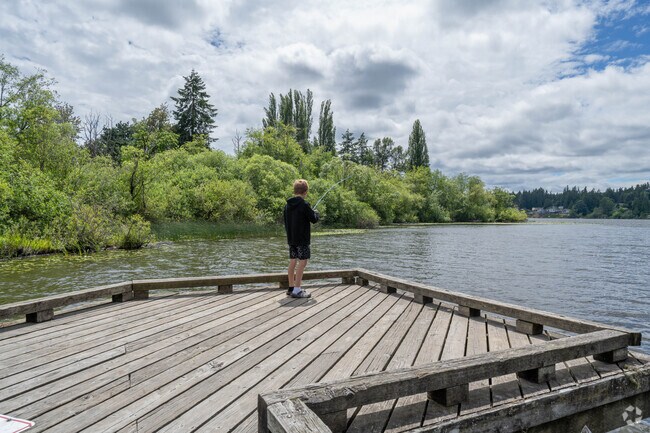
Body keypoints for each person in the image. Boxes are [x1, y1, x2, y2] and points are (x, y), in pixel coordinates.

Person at [283, 179, 319, 298]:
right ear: (305, 191)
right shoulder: (304, 204)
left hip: (291, 239)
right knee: (302, 262)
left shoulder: (287, 205)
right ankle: (297, 290)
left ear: (295, 191)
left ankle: (291, 287)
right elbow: (314, 219)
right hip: (302, 240)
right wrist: (316, 213)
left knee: (293, 261)